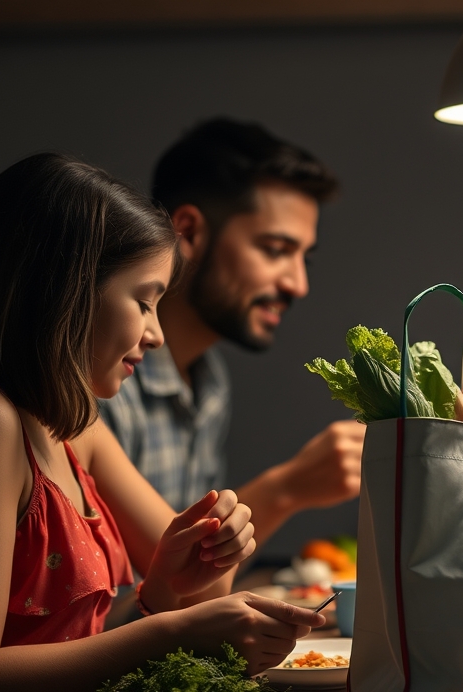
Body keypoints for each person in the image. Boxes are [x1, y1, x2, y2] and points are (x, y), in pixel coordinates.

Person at [0, 154, 325, 692]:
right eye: (145, 300)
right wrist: (169, 629)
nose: (156, 333)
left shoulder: (77, 427)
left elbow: (203, 592)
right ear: (65, 290)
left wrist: (185, 574)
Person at [99, 118, 365, 553]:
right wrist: (286, 488)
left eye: (304, 259)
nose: (298, 285)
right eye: (276, 250)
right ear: (187, 231)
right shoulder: (100, 381)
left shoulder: (210, 382)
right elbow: (155, 585)